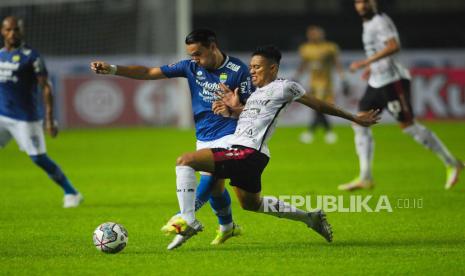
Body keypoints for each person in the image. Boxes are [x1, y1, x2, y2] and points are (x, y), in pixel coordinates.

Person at [162, 45, 380, 250]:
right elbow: (253, 117)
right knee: (250, 204)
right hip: (248, 153)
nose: (252, 71)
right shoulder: (256, 94)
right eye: (251, 67)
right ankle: (310, 218)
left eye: (257, 67)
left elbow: (320, 104)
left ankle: (188, 219)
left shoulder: (285, 87)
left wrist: (354, 117)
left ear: (273, 68)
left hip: (247, 153)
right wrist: (233, 110)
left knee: (186, 161)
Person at [90, 29, 253, 244]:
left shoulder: (238, 70)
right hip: (204, 134)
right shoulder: (191, 67)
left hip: (231, 133)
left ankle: (183, 220)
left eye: (197, 53)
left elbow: (253, 109)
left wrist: (233, 108)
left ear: (213, 47)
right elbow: (149, 73)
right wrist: (112, 69)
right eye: (191, 54)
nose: (194, 59)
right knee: (216, 188)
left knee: (208, 178)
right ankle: (228, 226)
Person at [339, 0, 464, 191]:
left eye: (365, 1)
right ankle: (365, 176)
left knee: (409, 127)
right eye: (358, 2)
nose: (362, 5)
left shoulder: (380, 20)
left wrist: (365, 63)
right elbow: (378, 49)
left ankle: (452, 162)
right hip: (376, 81)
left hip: (392, 80)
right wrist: (371, 68)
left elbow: (393, 46)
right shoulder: (367, 23)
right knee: (359, 122)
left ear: (373, 3)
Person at [0, 16, 82, 208]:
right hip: (2, 116)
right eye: (9, 30)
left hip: (25, 119)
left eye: (16, 30)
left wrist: (49, 119)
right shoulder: (0, 55)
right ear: (3, 32)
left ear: (22, 31)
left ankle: (72, 192)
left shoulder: (32, 57)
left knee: (38, 158)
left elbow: (46, 87)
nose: (13, 33)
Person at [293, 25, 346, 144]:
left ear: (321, 34)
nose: (313, 36)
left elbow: (337, 64)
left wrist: (343, 78)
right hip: (313, 83)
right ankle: (327, 132)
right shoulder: (306, 48)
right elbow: (303, 64)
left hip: (326, 83)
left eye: (315, 33)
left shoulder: (329, 47)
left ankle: (313, 132)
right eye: (310, 33)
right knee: (316, 108)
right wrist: (296, 77)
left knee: (319, 107)